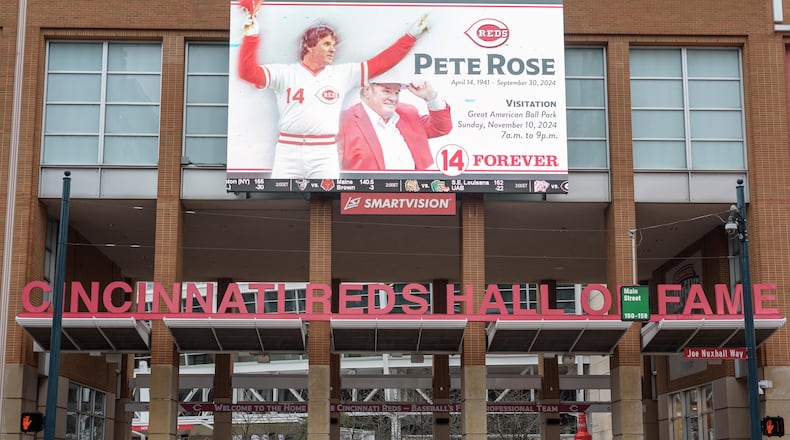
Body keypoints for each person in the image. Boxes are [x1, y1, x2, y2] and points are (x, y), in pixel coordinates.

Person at [237, 0, 430, 179]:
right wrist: (251, 37)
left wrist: (411, 35)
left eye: (334, 45)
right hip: (288, 150)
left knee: (328, 199)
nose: (333, 49)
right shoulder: (284, 73)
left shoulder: (342, 74)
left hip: (324, 151)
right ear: (310, 46)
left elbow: (382, 62)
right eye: (326, 44)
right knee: (278, 197)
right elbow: (247, 73)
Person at [337, 80, 451, 171]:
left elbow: (441, 128)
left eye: (397, 93)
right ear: (367, 90)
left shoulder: (407, 113)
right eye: (386, 91)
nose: (393, 98)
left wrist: (431, 98)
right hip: (367, 192)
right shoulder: (344, 121)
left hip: (414, 190)